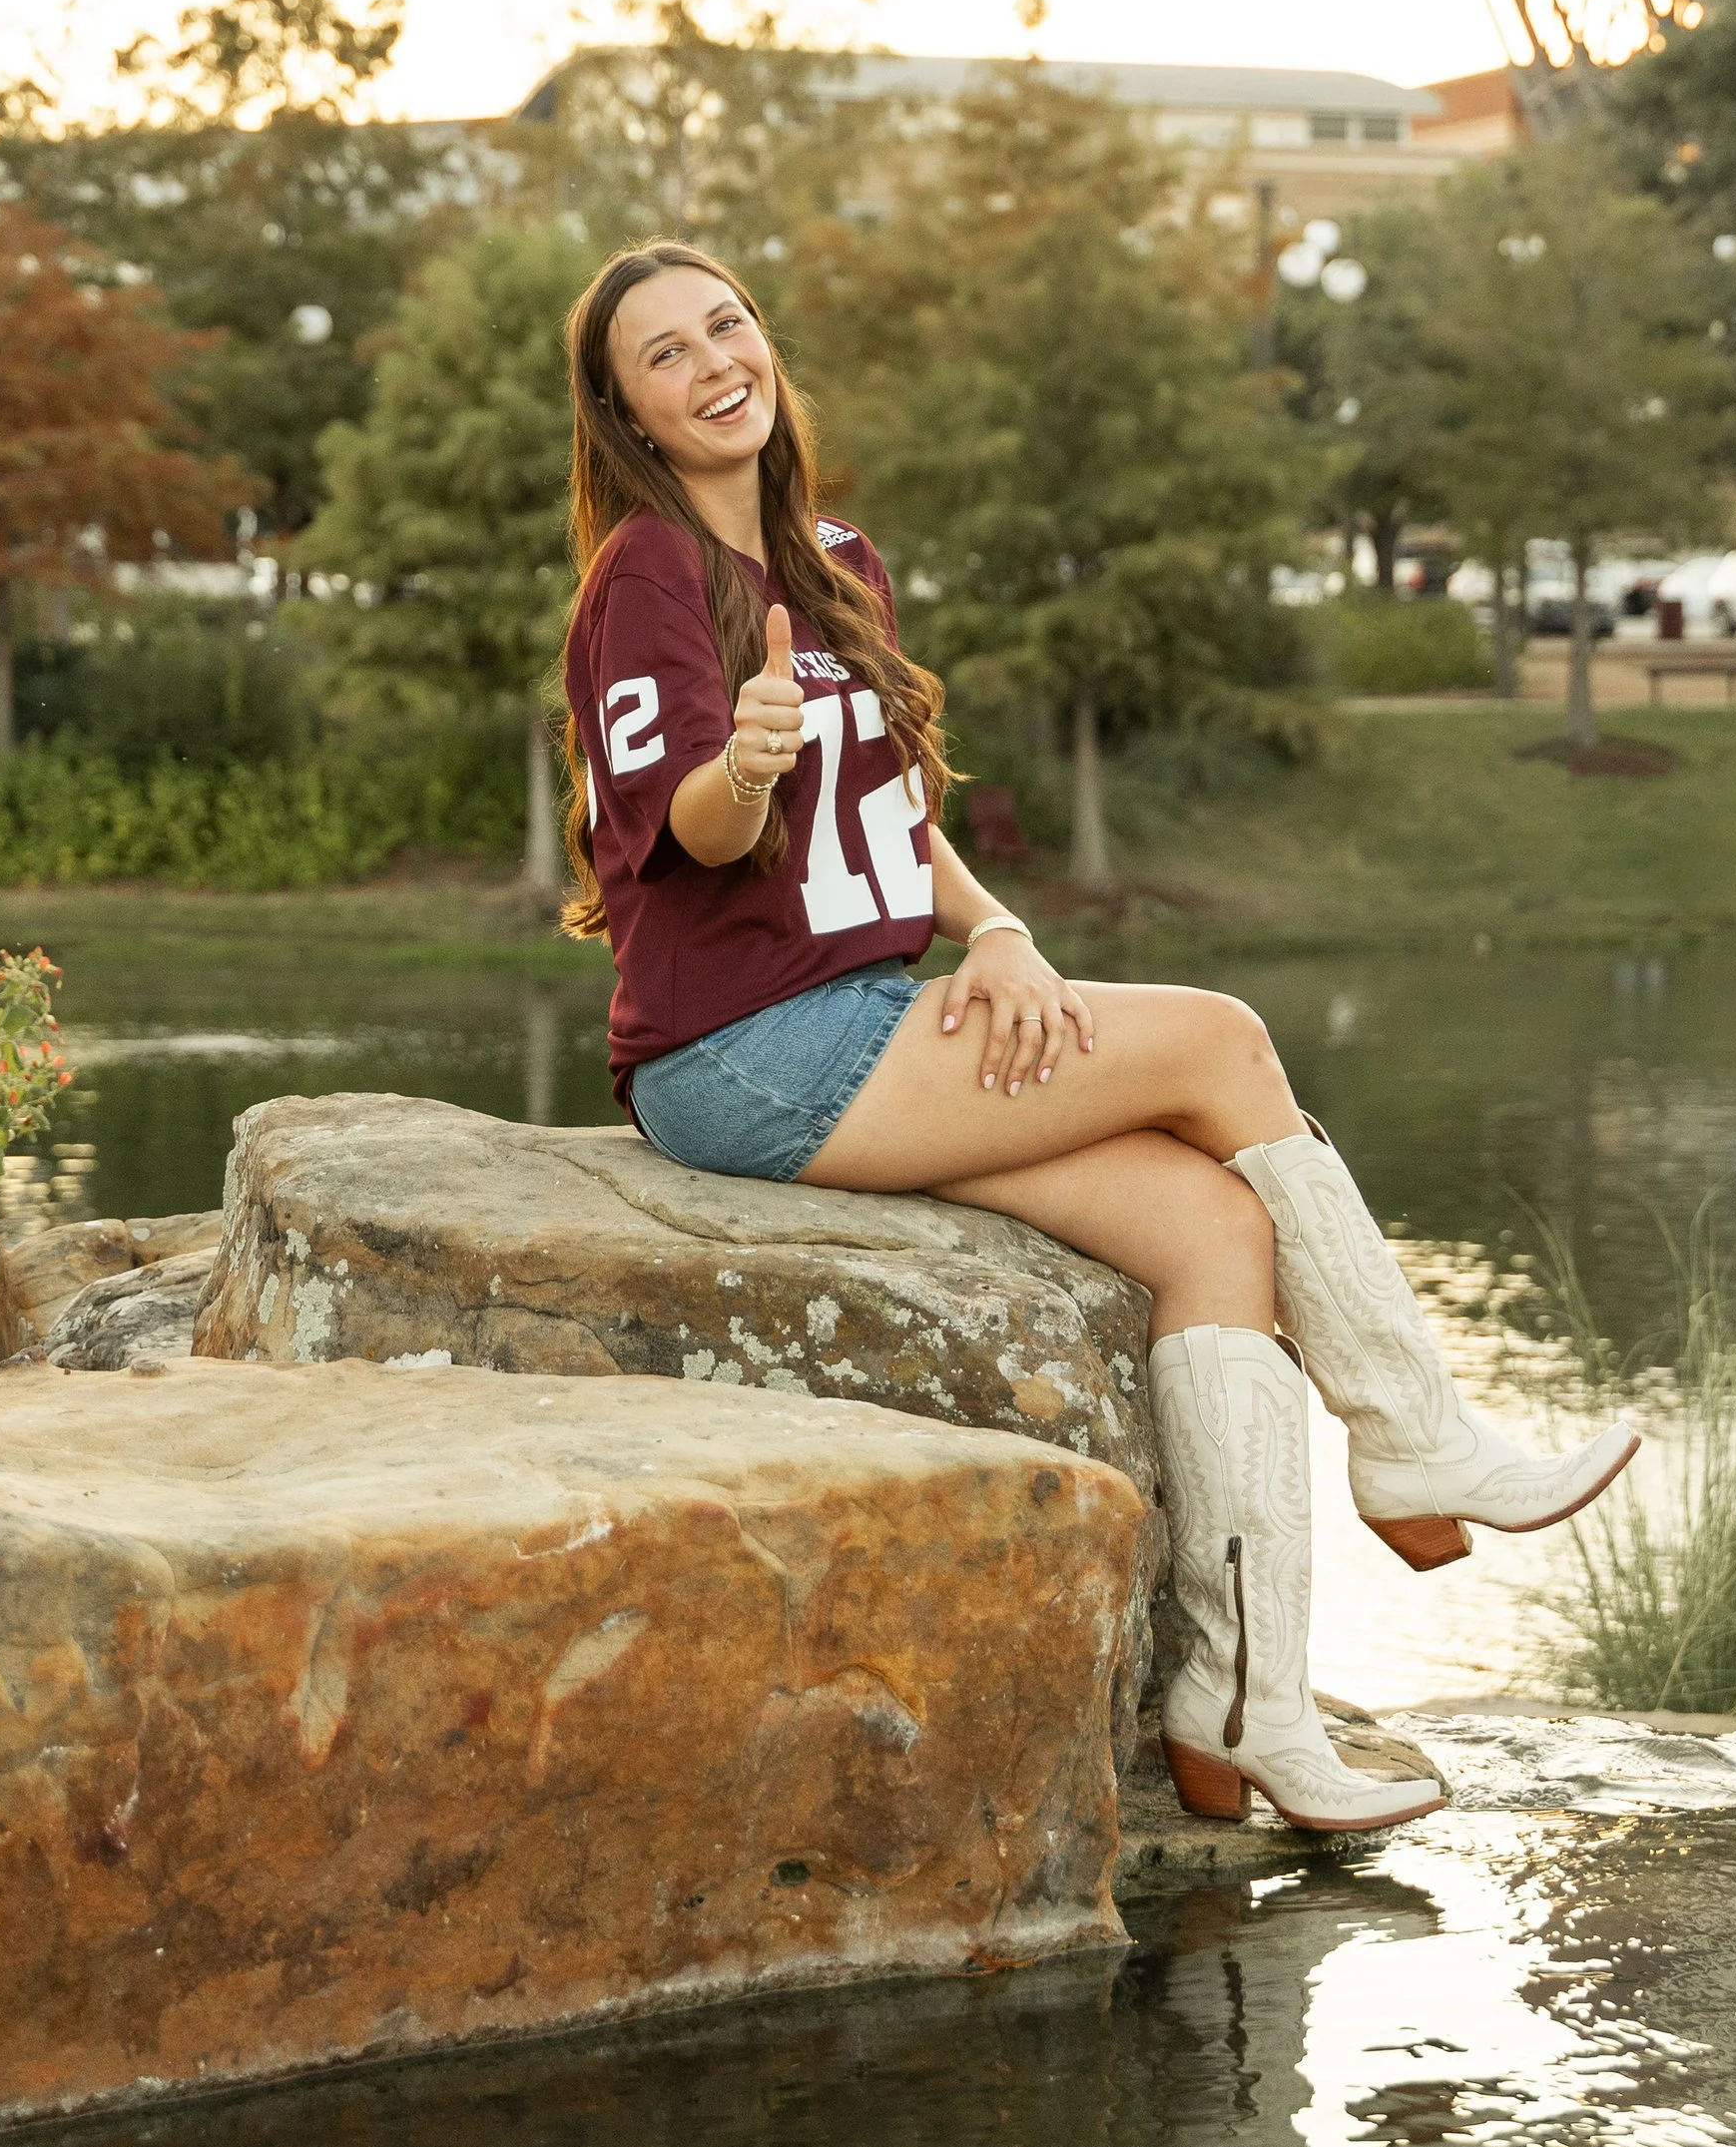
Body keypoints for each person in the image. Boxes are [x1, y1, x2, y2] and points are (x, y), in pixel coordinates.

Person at [560, 241, 1637, 1839]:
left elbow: (893, 823)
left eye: (729, 322)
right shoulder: (644, 575)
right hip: (746, 1049)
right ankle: (1414, 1439)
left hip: (862, 1008)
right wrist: (750, 759)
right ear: (626, 412)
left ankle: (1243, 1698)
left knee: (1213, 1231)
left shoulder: (837, 554)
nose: (715, 360)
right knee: (1220, 1040)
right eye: (666, 352)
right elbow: (694, 833)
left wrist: (998, 932)